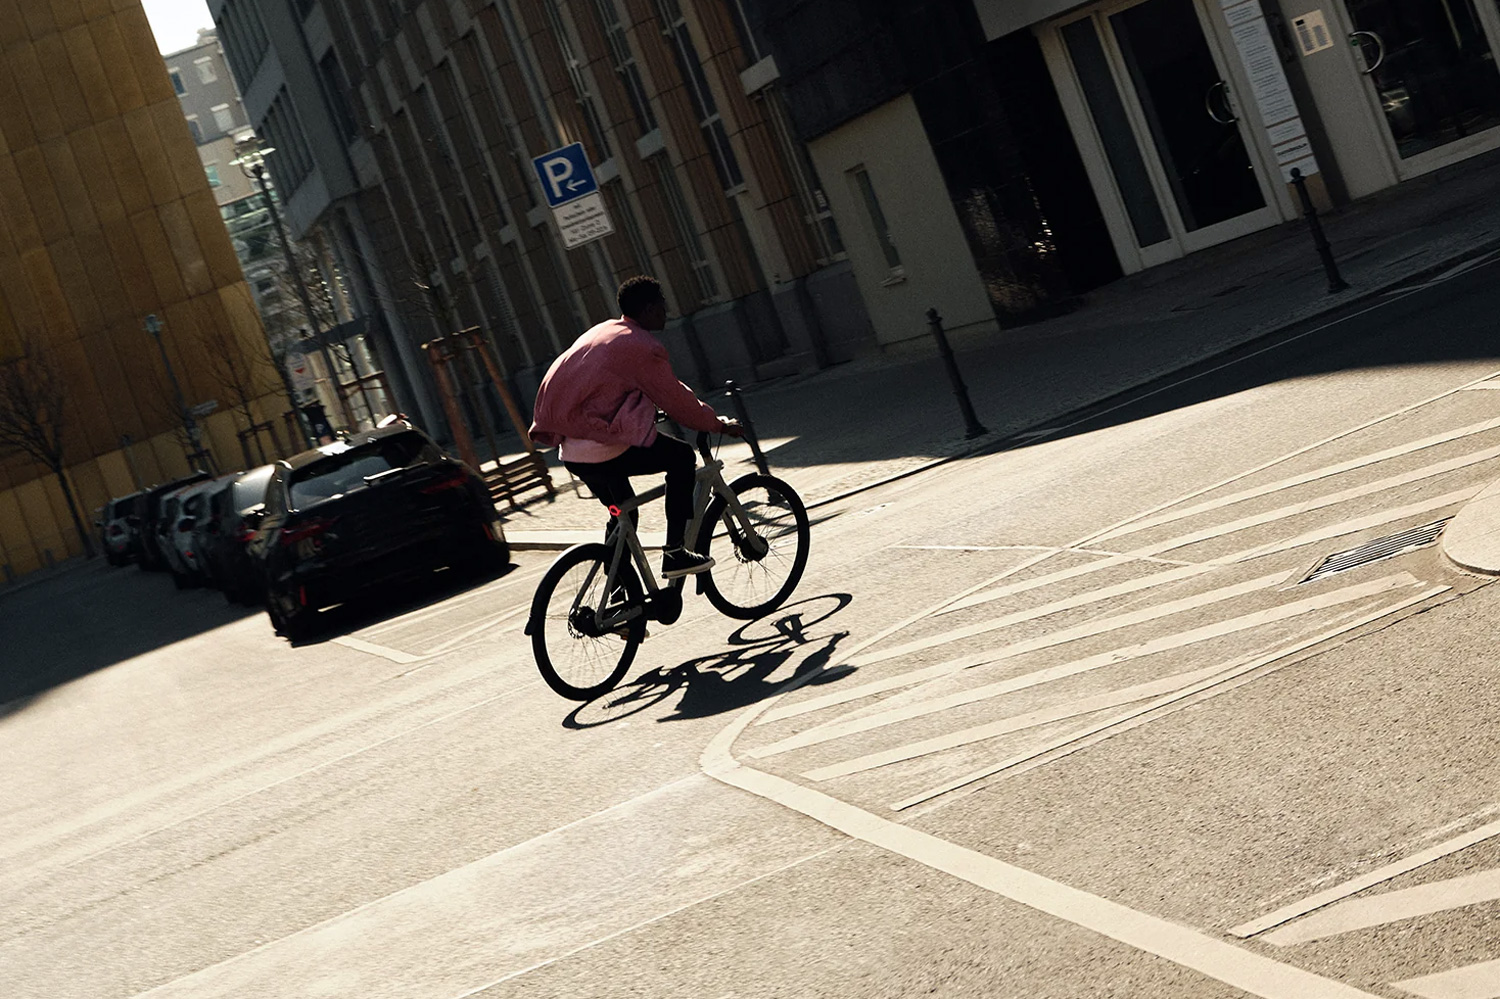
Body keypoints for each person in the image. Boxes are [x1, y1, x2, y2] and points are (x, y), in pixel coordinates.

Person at [530, 276, 743, 578]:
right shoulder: (641, 345)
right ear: (649, 308)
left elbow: (617, 390)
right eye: (661, 306)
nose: (665, 312)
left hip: (575, 455)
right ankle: (675, 552)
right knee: (682, 458)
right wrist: (717, 424)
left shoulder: (605, 332)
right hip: (606, 453)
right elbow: (675, 399)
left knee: (621, 513)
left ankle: (619, 592)